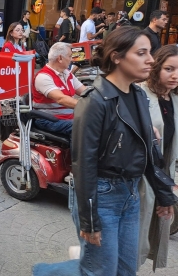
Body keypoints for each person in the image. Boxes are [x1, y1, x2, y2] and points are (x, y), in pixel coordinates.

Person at [71, 26, 175, 275]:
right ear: (117, 57)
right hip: (102, 194)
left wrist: (163, 194)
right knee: (100, 270)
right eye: (141, 53)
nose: (150, 59)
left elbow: (148, 151)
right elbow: (83, 164)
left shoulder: (138, 95)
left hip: (131, 193)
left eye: (149, 52)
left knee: (127, 269)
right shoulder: (94, 101)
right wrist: (90, 219)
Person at [139, 45, 178, 271]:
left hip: (163, 175)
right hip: (141, 178)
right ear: (156, 68)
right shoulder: (140, 93)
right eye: (169, 69)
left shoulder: (173, 98)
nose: (175, 76)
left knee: (154, 230)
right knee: (136, 234)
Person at [32, 42, 86, 136]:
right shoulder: (44, 76)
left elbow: (84, 90)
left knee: (97, 122)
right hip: (49, 120)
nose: (71, 59)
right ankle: (79, 151)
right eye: (69, 56)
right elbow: (61, 99)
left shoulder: (67, 73)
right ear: (60, 58)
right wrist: (90, 105)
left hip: (66, 118)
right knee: (80, 127)